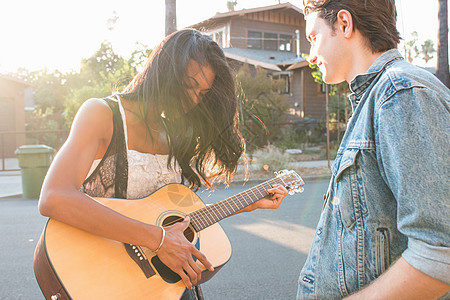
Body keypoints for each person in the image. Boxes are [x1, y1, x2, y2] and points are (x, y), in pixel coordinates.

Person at [38, 29, 289, 300]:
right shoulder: (102, 114)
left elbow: (170, 215)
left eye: (202, 93)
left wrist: (243, 204)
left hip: (163, 287)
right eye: (188, 86)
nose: (194, 100)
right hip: (107, 280)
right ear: (164, 73)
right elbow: (54, 197)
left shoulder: (172, 131)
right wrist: (158, 239)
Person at [297, 0, 450, 299]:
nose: (312, 56)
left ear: (344, 23)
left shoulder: (401, 93)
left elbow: (439, 254)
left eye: (314, 38)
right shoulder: (378, 97)